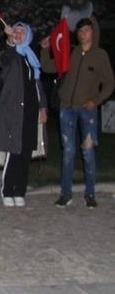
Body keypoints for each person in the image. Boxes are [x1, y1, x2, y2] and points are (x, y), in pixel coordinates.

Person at [40, 17, 113, 208]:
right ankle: (66, 193)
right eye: (80, 31)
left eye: (87, 30)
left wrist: (95, 100)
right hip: (67, 108)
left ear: (93, 32)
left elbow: (109, 83)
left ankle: (90, 194)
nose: (83, 34)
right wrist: (46, 49)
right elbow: (48, 67)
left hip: (87, 110)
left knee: (88, 152)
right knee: (68, 152)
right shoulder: (71, 52)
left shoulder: (100, 55)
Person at [0, 23, 48, 207]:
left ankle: (20, 190)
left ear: (28, 35)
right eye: (17, 31)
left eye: (23, 32)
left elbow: (38, 85)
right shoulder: (12, 55)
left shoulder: (31, 57)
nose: (19, 34)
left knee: (26, 152)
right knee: (14, 151)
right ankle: (8, 190)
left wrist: (43, 106)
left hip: (31, 111)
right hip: (14, 111)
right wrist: (10, 41)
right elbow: (5, 59)